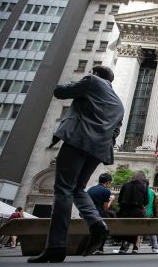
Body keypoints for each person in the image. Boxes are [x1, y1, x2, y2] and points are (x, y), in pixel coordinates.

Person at [28, 66, 124, 263]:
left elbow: (60, 92)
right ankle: (97, 223)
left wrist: (79, 82)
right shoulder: (119, 103)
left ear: (95, 74)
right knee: (78, 188)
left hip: (78, 140)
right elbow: (116, 132)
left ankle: (56, 246)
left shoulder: (91, 82)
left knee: (63, 190)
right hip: (99, 149)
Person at [116, 171, 149, 254]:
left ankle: (123, 246)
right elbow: (146, 201)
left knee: (124, 227)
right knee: (138, 227)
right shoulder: (143, 186)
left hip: (123, 212)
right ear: (143, 178)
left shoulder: (125, 185)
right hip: (137, 211)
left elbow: (119, 200)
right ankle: (135, 247)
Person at [87, 173, 117, 254]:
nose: (110, 185)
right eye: (110, 183)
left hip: (89, 214)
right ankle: (100, 248)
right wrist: (112, 200)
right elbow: (105, 208)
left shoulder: (90, 189)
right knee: (107, 225)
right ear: (107, 182)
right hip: (99, 215)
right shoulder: (106, 191)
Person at [145, 187, 158, 253]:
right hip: (150, 214)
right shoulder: (152, 191)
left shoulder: (141, 190)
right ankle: (155, 247)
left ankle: (125, 247)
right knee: (152, 232)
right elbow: (156, 203)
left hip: (143, 213)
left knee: (135, 230)